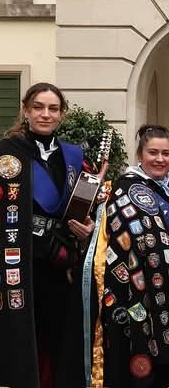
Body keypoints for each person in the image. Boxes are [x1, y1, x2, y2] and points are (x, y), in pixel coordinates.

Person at [89, 124, 169, 387]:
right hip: (143, 283)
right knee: (147, 351)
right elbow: (134, 234)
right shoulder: (126, 188)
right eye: (153, 152)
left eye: (166, 153)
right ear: (140, 155)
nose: (160, 159)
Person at [0, 82, 95, 388]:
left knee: (62, 340)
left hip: (64, 261)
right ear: (25, 111)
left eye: (53, 108)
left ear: (62, 114)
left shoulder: (73, 155)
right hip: (22, 261)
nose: (45, 114)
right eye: (38, 107)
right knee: (26, 340)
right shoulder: (6, 154)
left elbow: (87, 206)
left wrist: (88, 229)